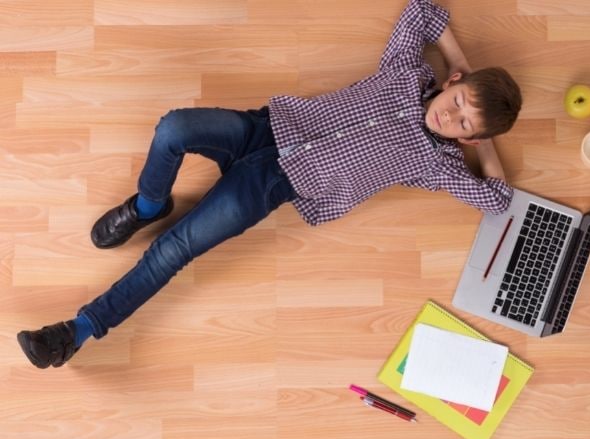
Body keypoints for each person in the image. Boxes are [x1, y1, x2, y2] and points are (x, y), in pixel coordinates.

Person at [16, 0, 521, 369]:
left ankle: (76, 333)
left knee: (174, 251)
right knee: (174, 128)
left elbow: (498, 199)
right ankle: (149, 205)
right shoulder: (406, 73)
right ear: (452, 86)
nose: (449, 117)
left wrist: (483, 142)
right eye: (457, 103)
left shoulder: (436, 164)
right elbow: (424, 9)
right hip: (267, 128)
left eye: (462, 126)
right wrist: (461, 64)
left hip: (274, 186)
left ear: (469, 141)